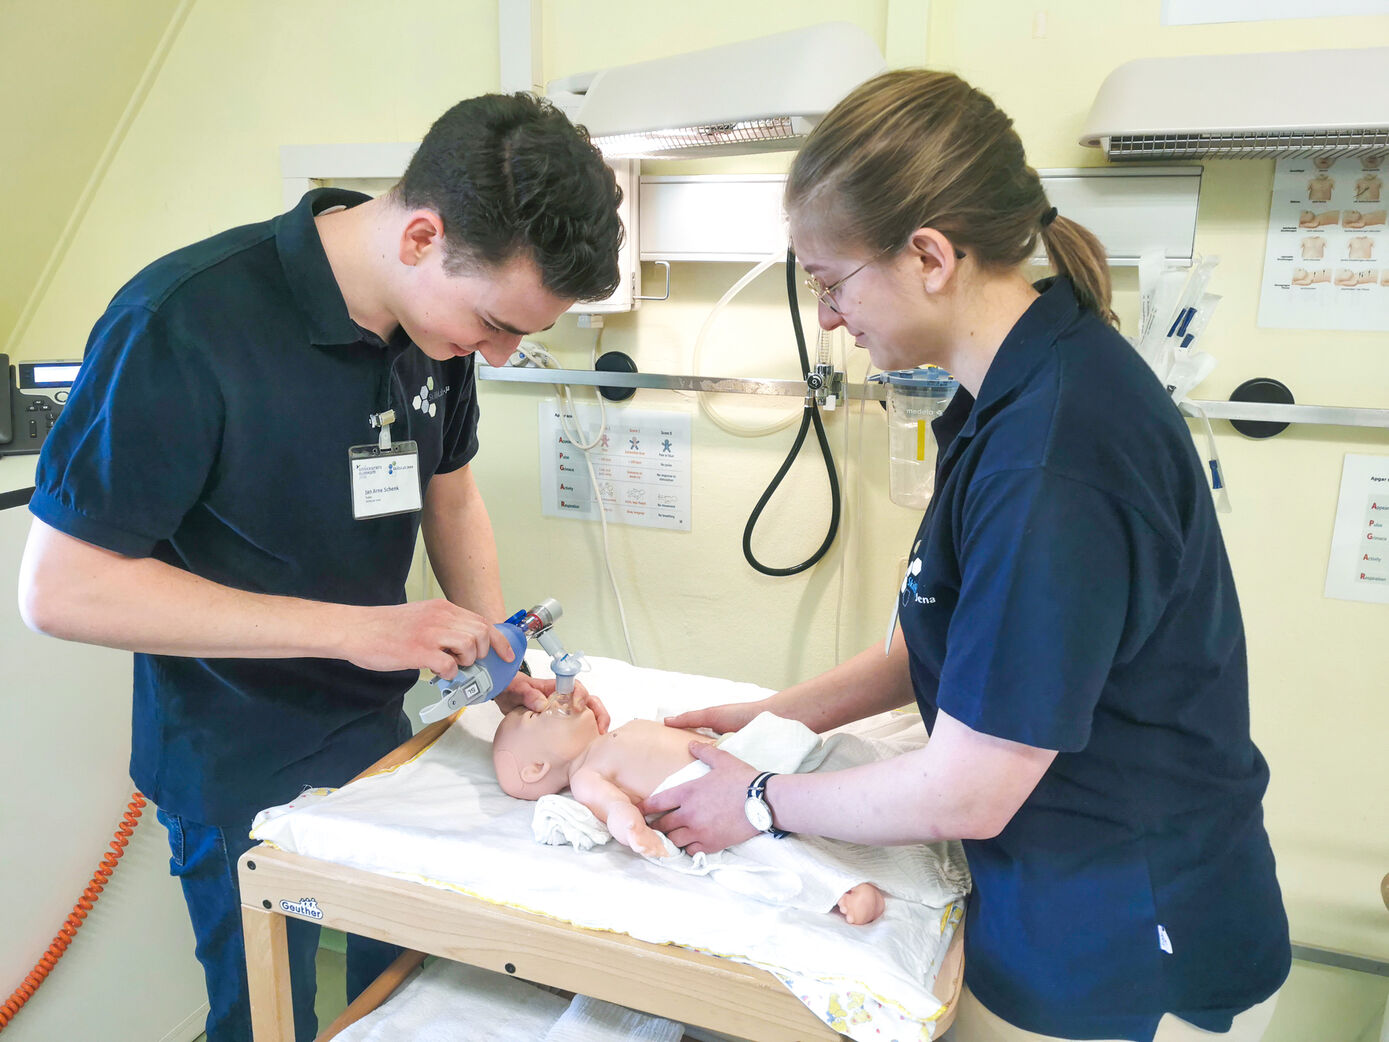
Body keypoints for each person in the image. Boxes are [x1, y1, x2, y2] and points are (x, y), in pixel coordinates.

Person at [640, 70, 1291, 1042]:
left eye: (829, 283)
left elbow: (969, 789)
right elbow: (944, 637)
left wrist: (763, 801)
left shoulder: (1053, 460)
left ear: (930, 256)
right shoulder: (1007, 390)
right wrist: (772, 716)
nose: (825, 318)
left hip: (1127, 939)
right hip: (1072, 893)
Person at [18, 92, 620, 1042]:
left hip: (377, 745)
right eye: (497, 323)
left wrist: (499, 655)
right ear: (421, 237)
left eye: (523, 336)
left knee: (383, 1007)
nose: (500, 355)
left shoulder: (433, 331)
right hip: (241, 765)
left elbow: (449, 490)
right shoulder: (183, 321)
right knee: (282, 1020)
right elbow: (62, 589)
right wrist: (368, 629)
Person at [491, 703, 909, 925]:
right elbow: (614, 808)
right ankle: (844, 888)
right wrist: (636, 832)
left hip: (738, 758)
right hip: (707, 795)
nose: (549, 704)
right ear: (534, 769)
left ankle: (889, 779)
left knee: (825, 764)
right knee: (772, 847)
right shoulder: (585, 775)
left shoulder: (618, 730)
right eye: (535, 716)